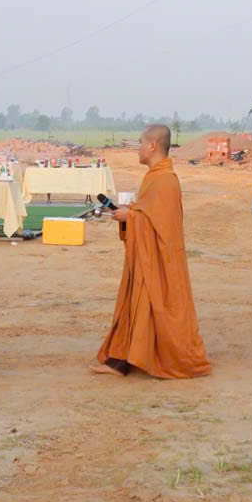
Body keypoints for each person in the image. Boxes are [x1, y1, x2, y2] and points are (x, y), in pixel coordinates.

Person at [92, 125, 211, 379]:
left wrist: (131, 216)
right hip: (146, 254)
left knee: (159, 306)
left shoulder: (165, 180)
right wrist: (131, 213)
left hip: (159, 260)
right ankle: (123, 359)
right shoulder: (154, 177)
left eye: (140, 143)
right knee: (135, 303)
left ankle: (172, 359)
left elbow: (165, 227)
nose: (138, 148)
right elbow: (149, 213)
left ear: (152, 146)